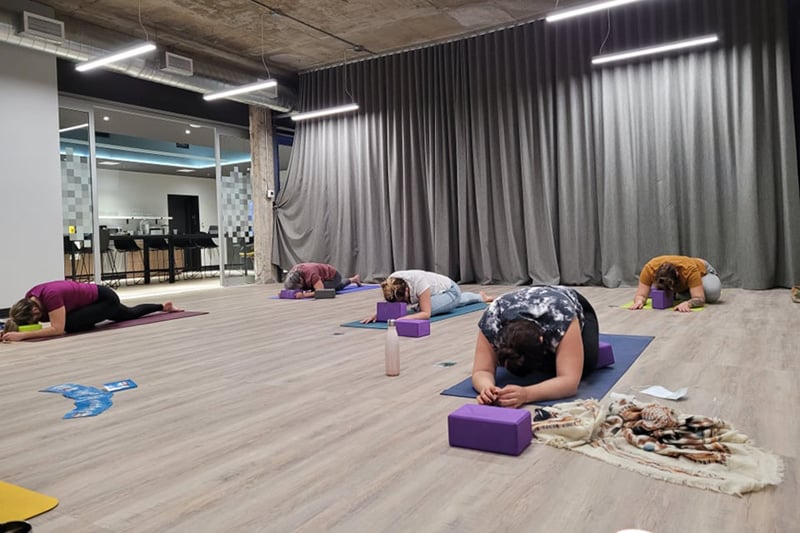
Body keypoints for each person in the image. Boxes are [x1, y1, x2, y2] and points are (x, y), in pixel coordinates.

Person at [472, 285, 599, 408]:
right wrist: (487, 389)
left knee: (586, 365)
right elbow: (481, 370)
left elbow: (570, 383)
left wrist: (527, 394)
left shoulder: (562, 316)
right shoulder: (492, 318)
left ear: (542, 339)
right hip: (524, 299)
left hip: (570, 300)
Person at [0, 280, 181, 342]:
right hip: (89, 303)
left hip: (105, 298)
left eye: (35, 319)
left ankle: (91, 320)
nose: (37, 322)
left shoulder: (50, 297)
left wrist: (23, 336)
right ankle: (163, 307)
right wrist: (11, 331)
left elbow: (58, 329)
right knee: (129, 314)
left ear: (33, 308)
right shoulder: (30, 298)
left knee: (70, 324)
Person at [361, 269, 492, 323]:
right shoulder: (391, 282)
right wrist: (379, 314)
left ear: (407, 290)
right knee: (453, 303)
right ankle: (480, 297)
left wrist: (403, 319)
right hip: (440, 294)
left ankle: (477, 297)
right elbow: (392, 303)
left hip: (451, 290)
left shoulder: (418, 282)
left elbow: (426, 314)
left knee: (420, 309)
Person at [630, 255, 721, 312]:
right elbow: (641, 295)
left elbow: (700, 299)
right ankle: (683, 293)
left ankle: (685, 292)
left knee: (712, 292)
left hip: (703, 271)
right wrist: (639, 301)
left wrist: (688, 304)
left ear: (677, 275)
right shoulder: (649, 269)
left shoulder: (689, 270)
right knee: (656, 294)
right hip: (681, 282)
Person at [283, 262, 361, 299]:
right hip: (318, 277)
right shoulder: (292, 273)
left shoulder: (311, 274)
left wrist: (303, 295)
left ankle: (353, 279)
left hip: (333, 276)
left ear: (300, 280)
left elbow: (321, 291)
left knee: (332, 289)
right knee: (311, 289)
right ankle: (353, 279)